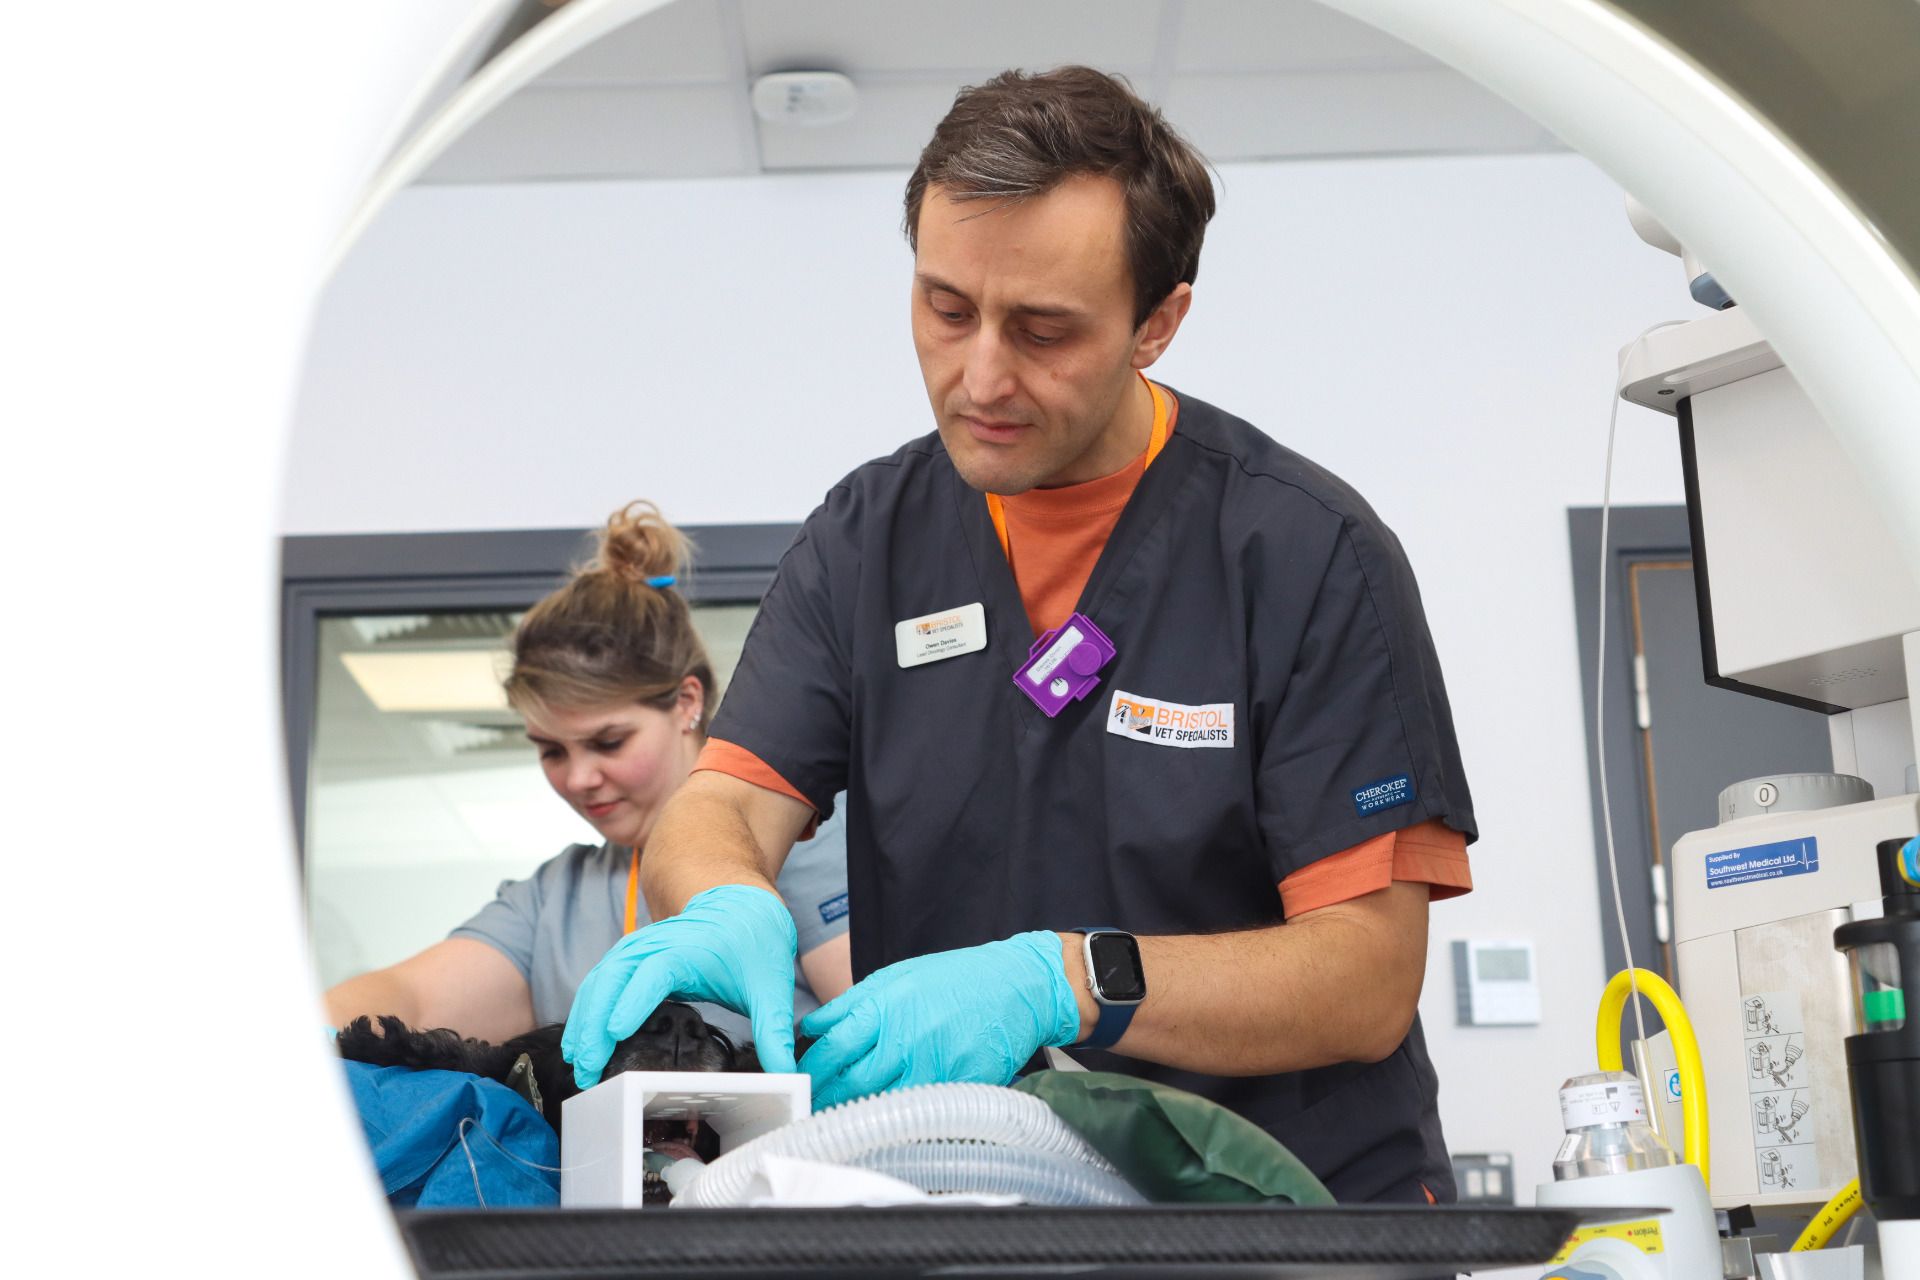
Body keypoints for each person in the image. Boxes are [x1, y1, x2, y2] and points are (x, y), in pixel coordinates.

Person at [560, 68, 1476, 1205]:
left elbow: (1366, 975)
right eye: (946, 309)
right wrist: (727, 895)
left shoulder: (1303, 552)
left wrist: (1070, 981)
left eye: (1043, 330)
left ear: (1158, 322)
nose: (980, 376)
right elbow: (726, 804)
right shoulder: (867, 541)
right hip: (987, 1203)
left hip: (1282, 1210)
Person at [324, 500, 853, 1055]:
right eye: (551, 750)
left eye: (608, 743)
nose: (578, 778)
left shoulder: (792, 844)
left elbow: (878, 1041)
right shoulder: (557, 899)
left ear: (687, 703)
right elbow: (405, 998)